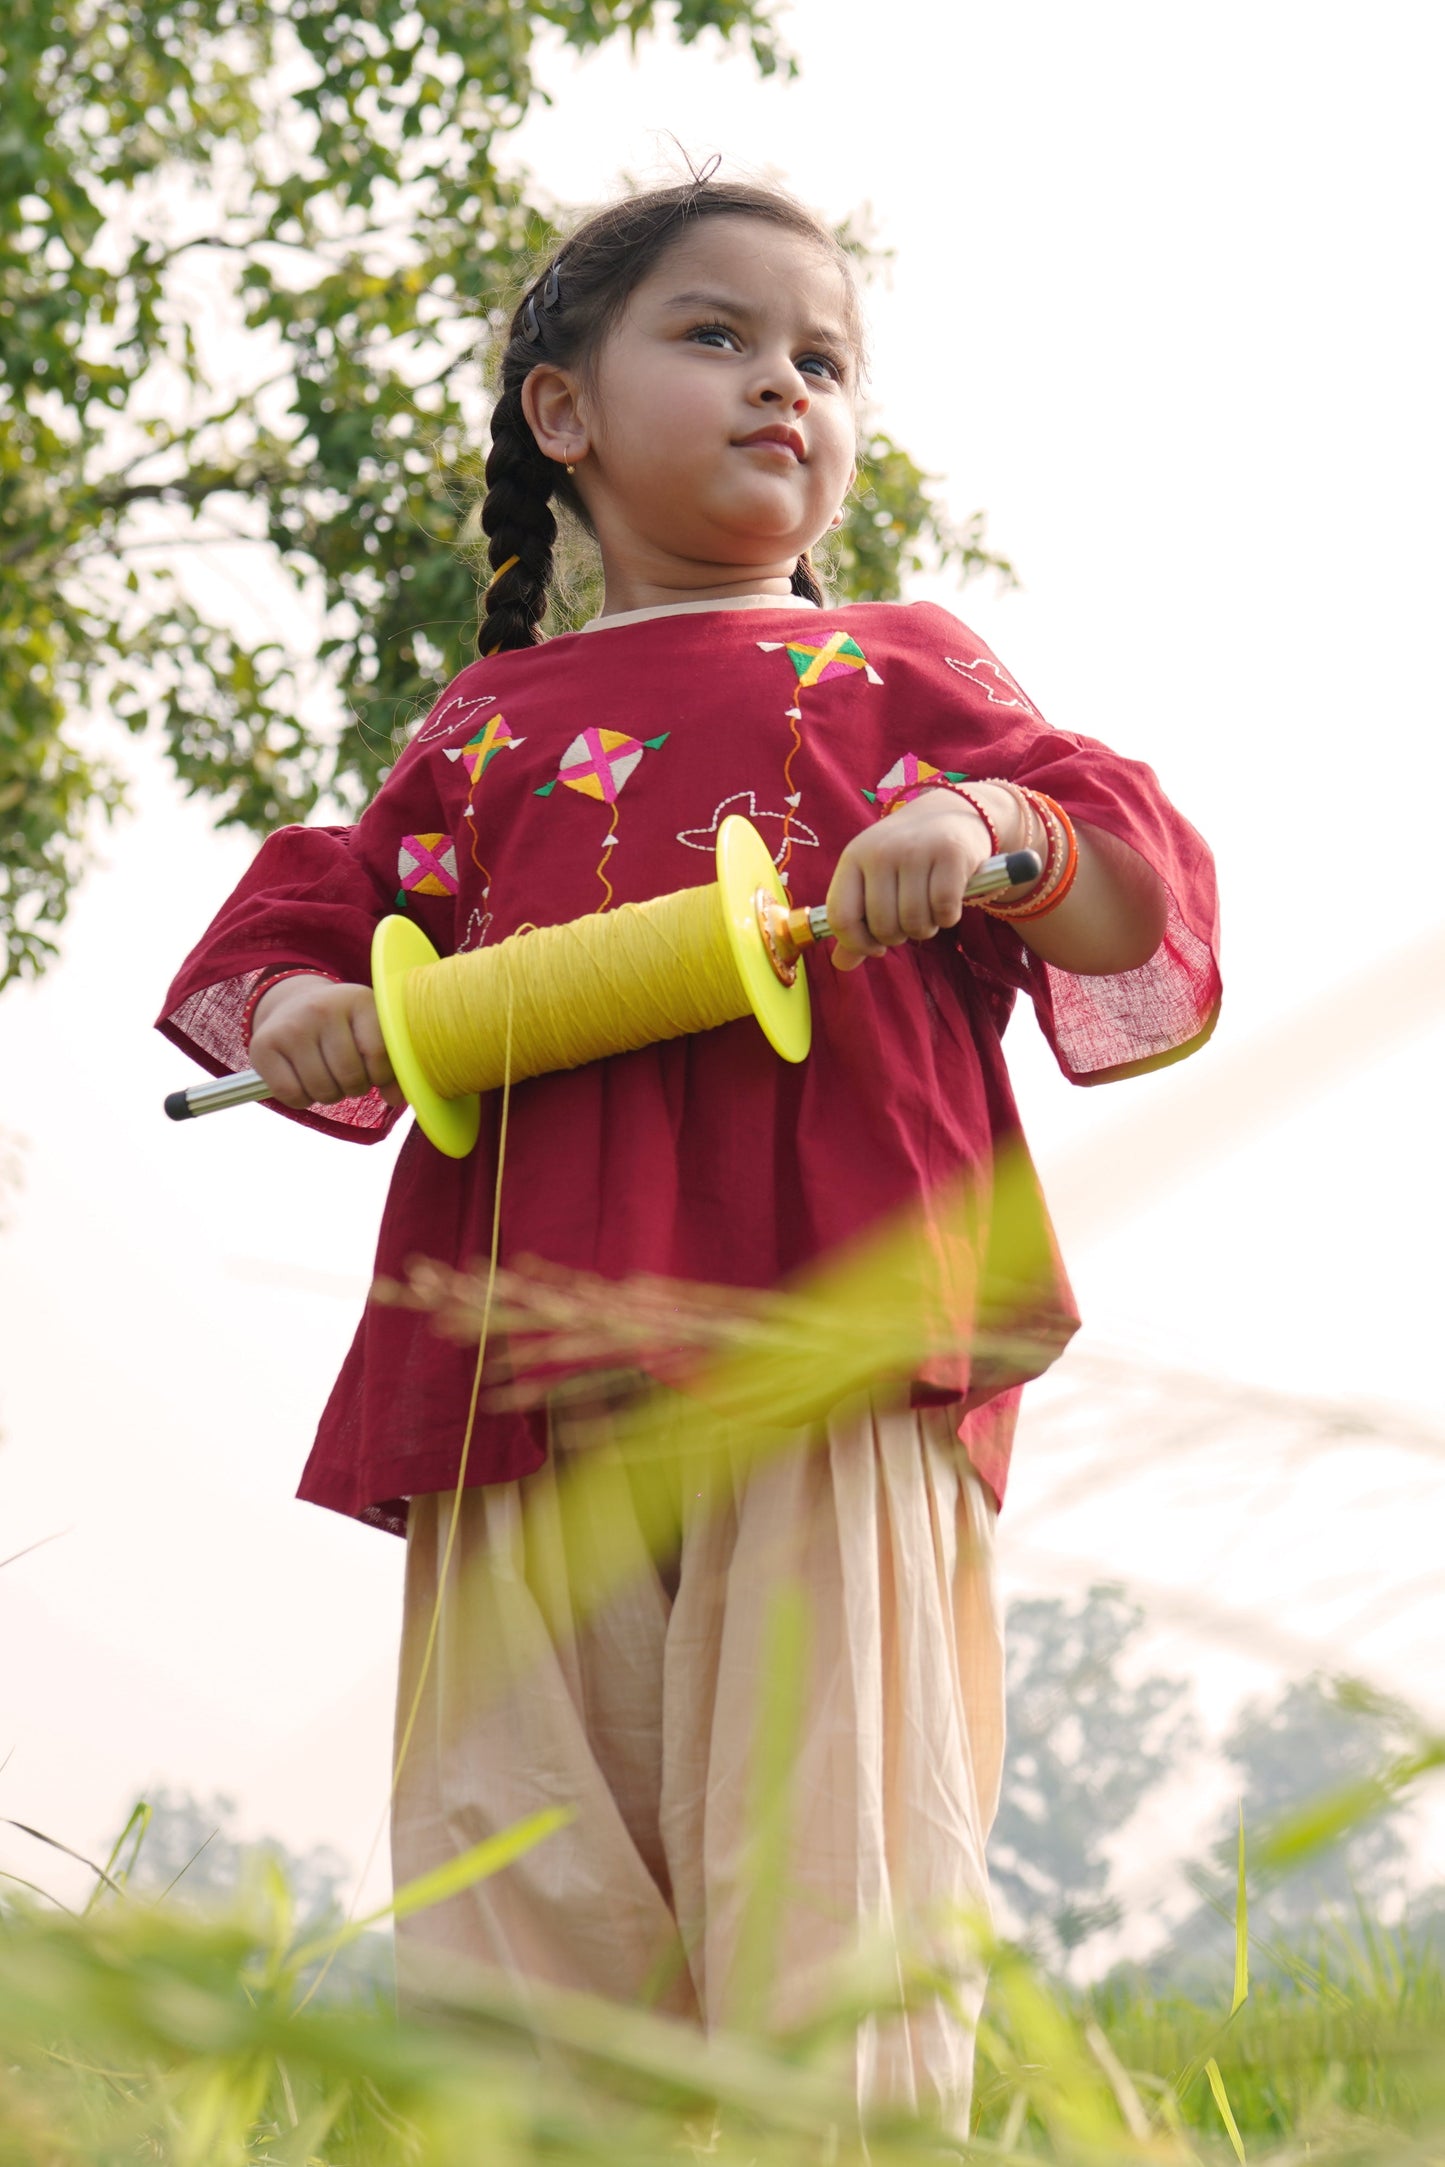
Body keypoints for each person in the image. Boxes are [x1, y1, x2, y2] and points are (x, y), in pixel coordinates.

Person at [158, 175, 1219, 2128]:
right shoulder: (484, 730)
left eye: (823, 358)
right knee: (516, 1879)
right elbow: (334, 937)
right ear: (561, 412)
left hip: (827, 1353)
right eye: (716, 337)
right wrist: (320, 999)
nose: (782, 388)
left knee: (829, 1877)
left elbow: (1130, 894)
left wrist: (988, 826)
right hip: (514, 1394)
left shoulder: (896, 678)